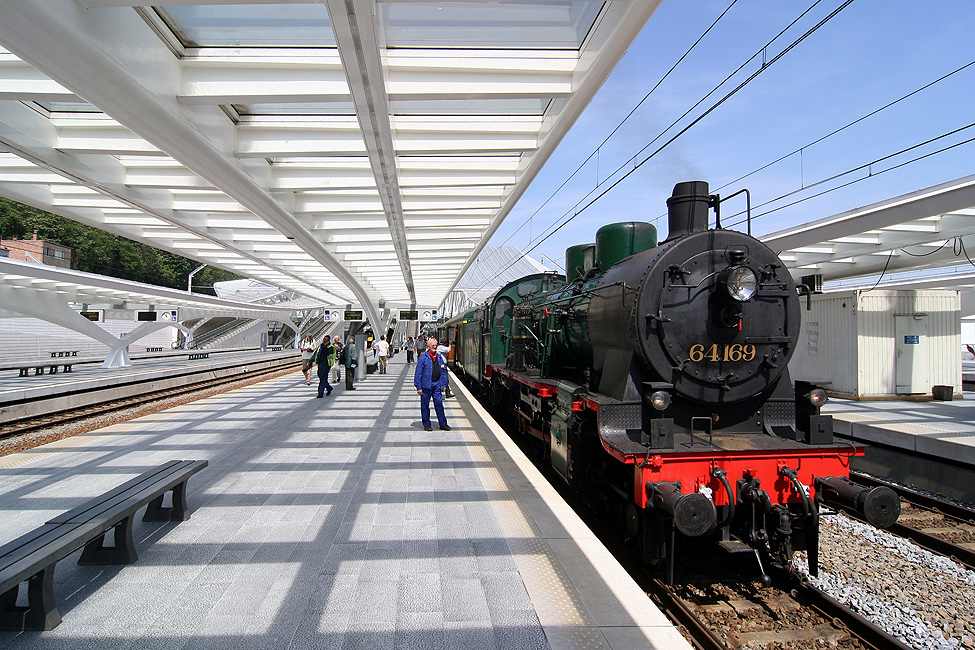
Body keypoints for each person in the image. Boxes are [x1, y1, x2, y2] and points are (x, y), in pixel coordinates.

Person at [414, 337, 450, 431]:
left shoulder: (439, 357)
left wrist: (444, 384)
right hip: (426, 385)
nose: (434, 347)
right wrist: (418, 387)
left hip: (437, 384)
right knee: (425, 405)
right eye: (432, 346)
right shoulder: (423, 358)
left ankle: (443, 423)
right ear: (428, 347)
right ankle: (427, 424)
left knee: (439, 404)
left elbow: (443, 371)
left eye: (435, 345)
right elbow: (418, 373)